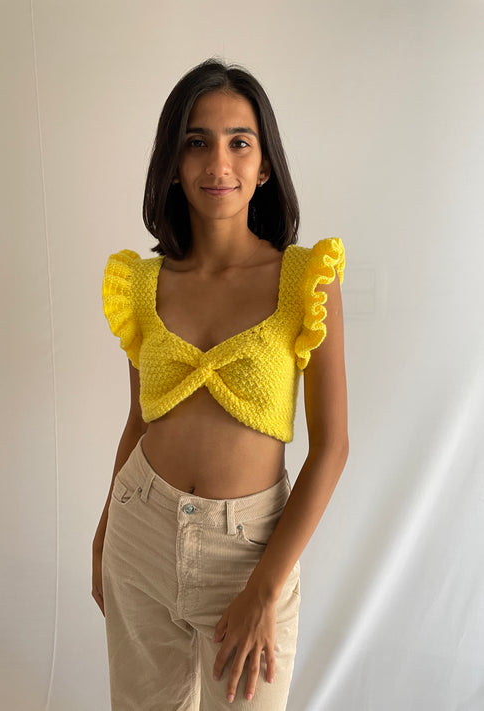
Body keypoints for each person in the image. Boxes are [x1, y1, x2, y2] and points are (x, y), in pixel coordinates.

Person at [92, 58, 348, 710]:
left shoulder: (305, 280)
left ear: (264, 167)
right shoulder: (143, 284)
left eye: (239, 142)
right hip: (139, 534)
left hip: (250, 553)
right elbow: (138, 419)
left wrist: (265, 588)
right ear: (174, 163)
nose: (218, 162)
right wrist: (103, 533)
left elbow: (331, 447)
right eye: (196, 141)